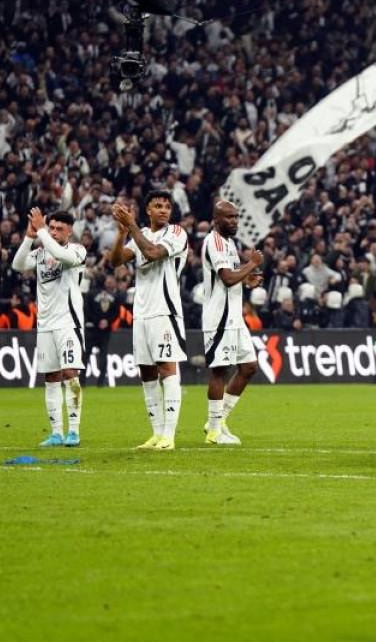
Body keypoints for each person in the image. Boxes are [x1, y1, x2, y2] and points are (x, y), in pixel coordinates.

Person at [108, 190, 188, 451]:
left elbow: (153, 253)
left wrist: (131, 226)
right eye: (158, 206)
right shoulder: (140, 233)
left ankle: (169, 435)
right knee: (147, 372)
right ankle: (156, 433)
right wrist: (121, 234)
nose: (164, 210)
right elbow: (115, 261)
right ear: (148, 211)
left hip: (165, 311)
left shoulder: (176, 233)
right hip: (142, 313)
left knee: (167, 369)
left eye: (167, 206)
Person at [9, 208, 87, 447]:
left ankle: (73, 431)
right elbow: (17, 265)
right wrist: (29, 237)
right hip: (45, 325)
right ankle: (56, 433)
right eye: (51, 227)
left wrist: (41, 230)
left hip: (68, 323)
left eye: (59, 229)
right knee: (51, 377)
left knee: (70, 373)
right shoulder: (41, 252)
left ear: (69, 231)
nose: (53, 232)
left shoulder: (77, 250)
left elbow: (62, 256)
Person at [200, 200, 264, 446]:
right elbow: (226, 278)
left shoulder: (229, 243)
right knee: (220, 371)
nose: (235, 221)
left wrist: (247, 279)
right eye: (229, 217)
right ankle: (214, 432)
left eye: (236, 216)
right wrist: (252, 264)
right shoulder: (215, 242)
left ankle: (218, 421)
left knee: (249, 367)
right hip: (220, 318)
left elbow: (231, 277)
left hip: (235, 317)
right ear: (216, 219)